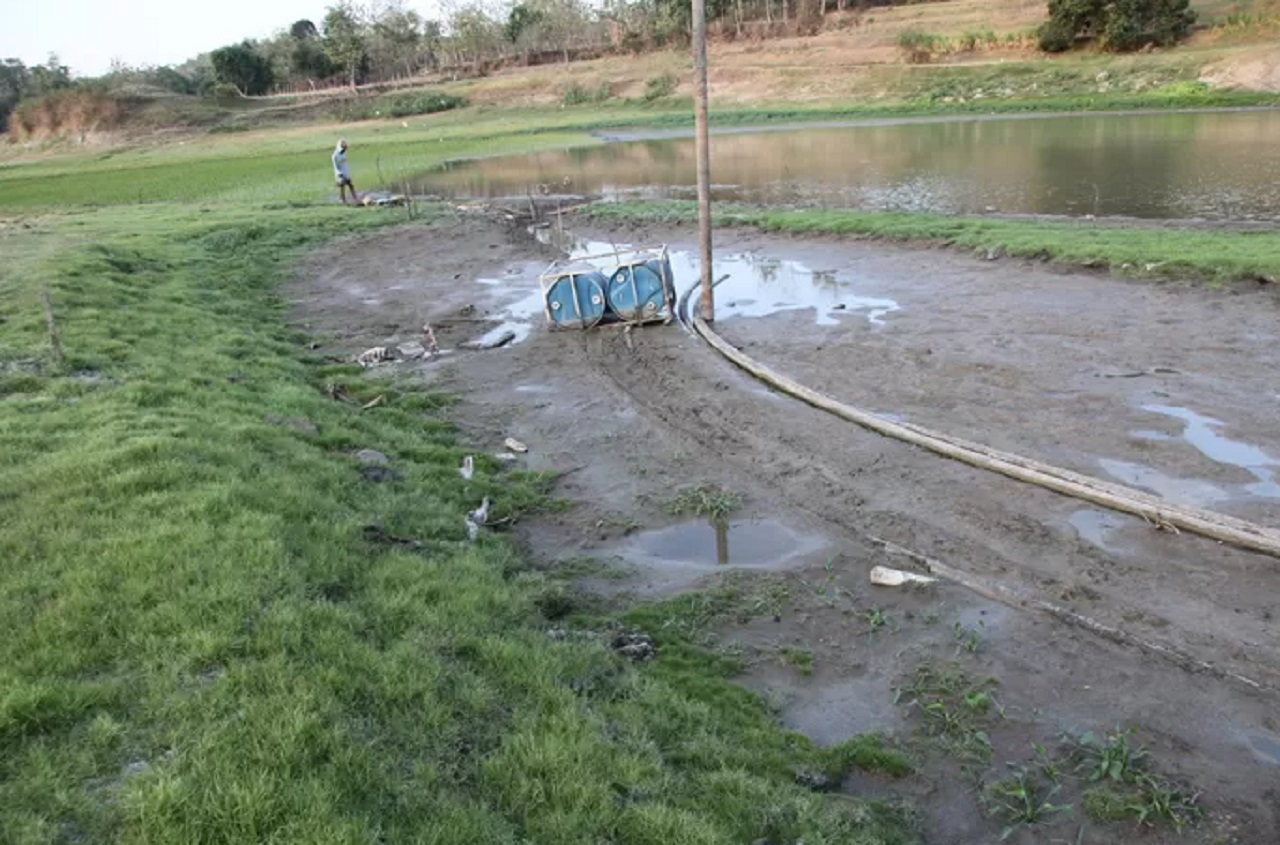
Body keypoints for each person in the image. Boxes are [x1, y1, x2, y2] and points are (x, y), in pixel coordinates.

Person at [332, 139, 359, 205]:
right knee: (342, 186)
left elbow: (345, 164)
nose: (344, 150)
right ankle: (343, 200)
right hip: (340, 175)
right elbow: (336, 167)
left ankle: (355, 199)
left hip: (346, 173)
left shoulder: (344, 153)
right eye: (343, 148)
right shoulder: (335, 156)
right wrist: (340, 174)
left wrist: (347, 174)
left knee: (351, 185)